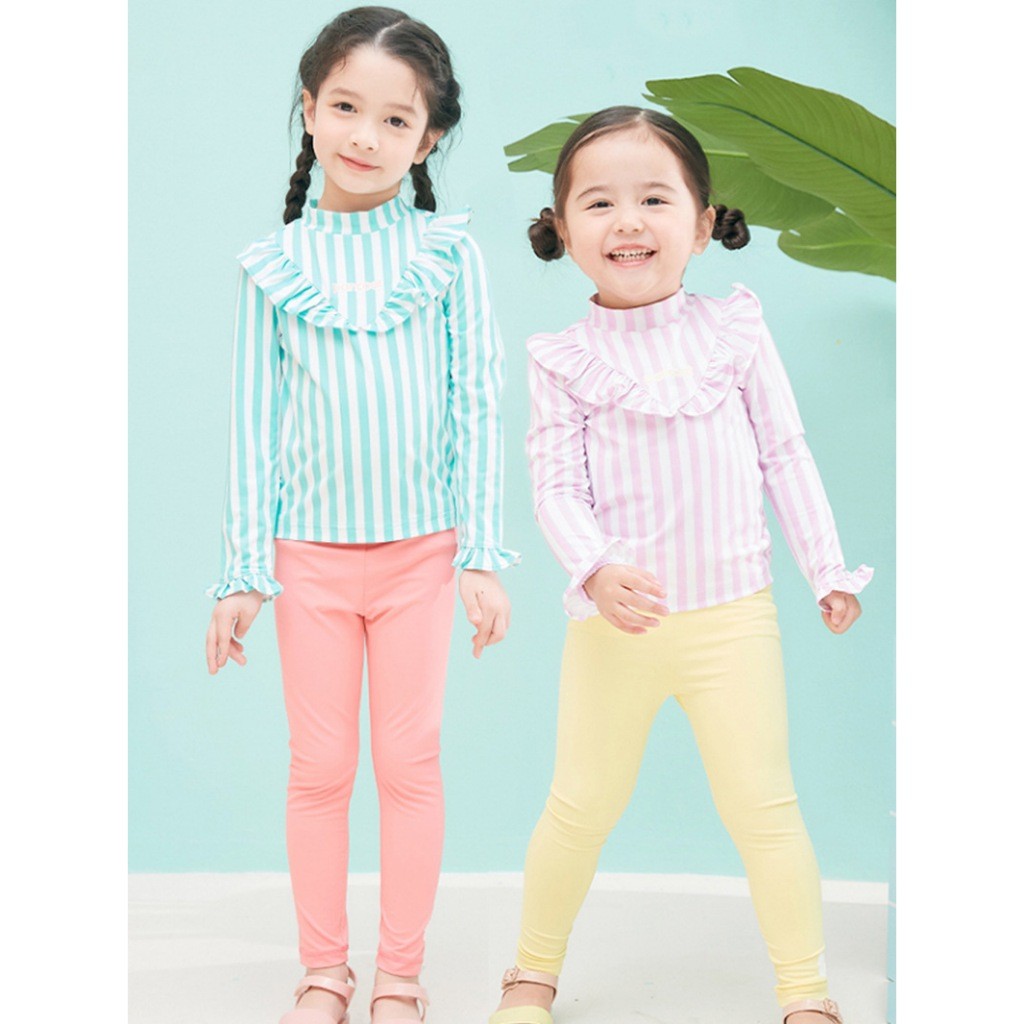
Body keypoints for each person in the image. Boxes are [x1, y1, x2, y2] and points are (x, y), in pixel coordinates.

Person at [489, 106, 872, 1024]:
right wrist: (594, 567)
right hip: (617, 630)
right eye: (599, 203)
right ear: (562, 228)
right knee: (580, 805)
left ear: (702, 225)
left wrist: (826, 567)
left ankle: (805, 990)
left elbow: (784, 452)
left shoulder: (734, 332)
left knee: (764, 806)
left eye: (654, 199)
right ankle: (531, 973)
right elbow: (555, 487)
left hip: (733, 621)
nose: (628, 221)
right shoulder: (563, 359)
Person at [203, 8, 518, 1023]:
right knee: (320, 767)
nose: (365, 135)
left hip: (424, 554)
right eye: (344, 106)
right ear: (308, 109)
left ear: (427, 139)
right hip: (309, 561)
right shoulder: (273, 265)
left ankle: (399, 978)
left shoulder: (446, 255)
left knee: (409, 763)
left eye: (395, 119)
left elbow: (476, 400)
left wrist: (481, 551)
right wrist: (243, 573)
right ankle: (323, 972)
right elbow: (254, 425)